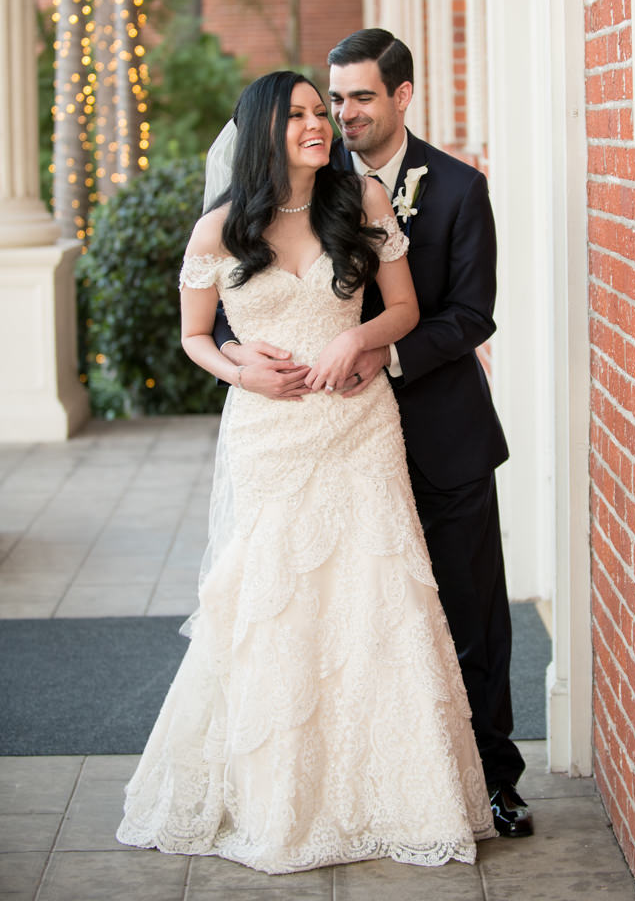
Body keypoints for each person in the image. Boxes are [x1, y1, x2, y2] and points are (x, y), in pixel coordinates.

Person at [116, 70, 495, 874]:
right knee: (272, 605)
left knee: (374, 599)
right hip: (269, 436)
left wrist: (357, 342)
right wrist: (238, 369)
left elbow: (405, 312)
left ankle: (396, 795)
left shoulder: (361, 204)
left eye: (321, 112)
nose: (319, 125)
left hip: (358, 426)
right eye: (299, 115)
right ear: (262, 130)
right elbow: (193, 339)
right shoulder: (217, 231)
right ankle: (277, 796)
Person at [219, 32, 533, 839]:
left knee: (469, 617)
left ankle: (494, 782)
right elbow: (230, 305)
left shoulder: (459, 188)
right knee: (358, 621)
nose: (343, 114)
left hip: (441, 435)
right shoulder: (295, 188)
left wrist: (381, 353)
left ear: (402, 97)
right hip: (330, 446)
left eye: (360, 97)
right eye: (334, 99)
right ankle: (374, 781)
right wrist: (235, 357)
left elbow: (471, 314)